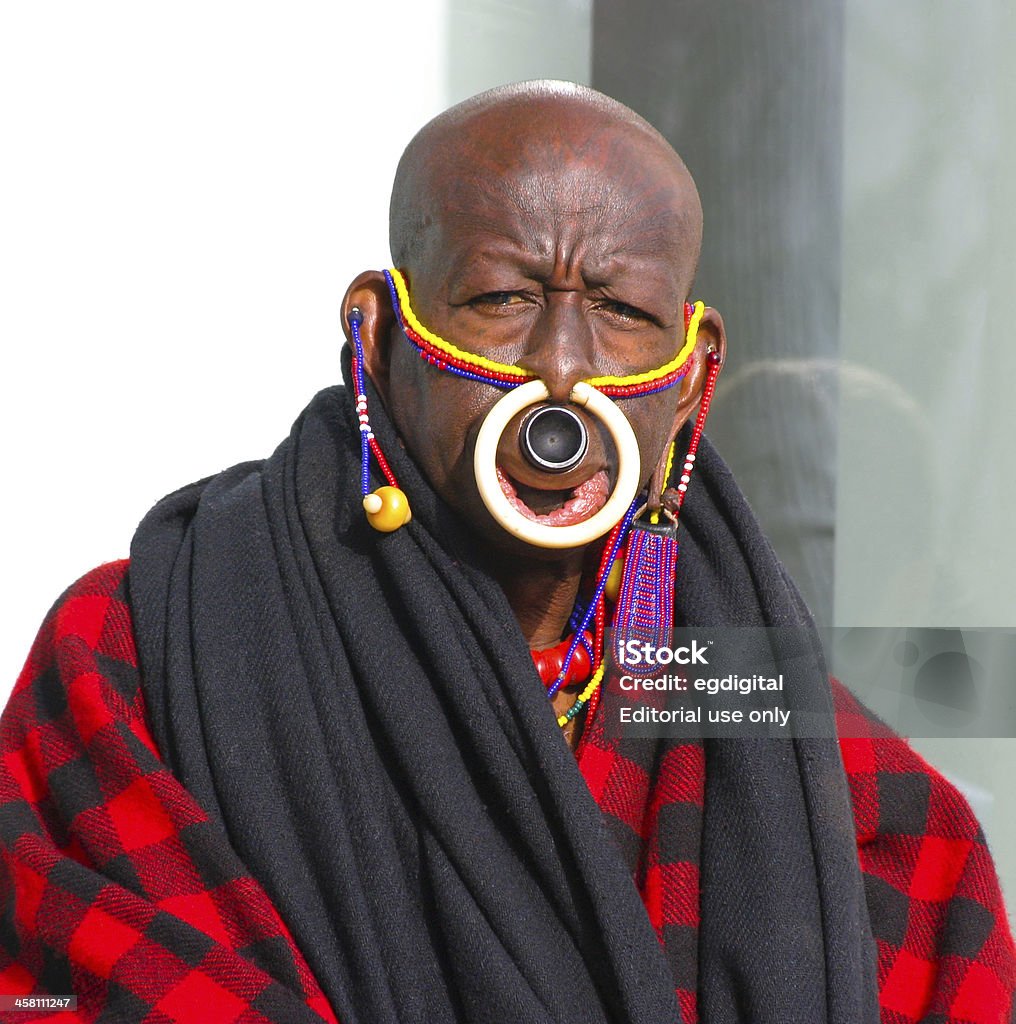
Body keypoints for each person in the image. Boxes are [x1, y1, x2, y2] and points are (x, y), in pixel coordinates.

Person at [0, 81, 1012, 1024]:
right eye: (500, 297)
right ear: (380, 333)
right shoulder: (150, 652)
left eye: (620, 311)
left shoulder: (815, 766)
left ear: (692, 373)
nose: (561, 371)